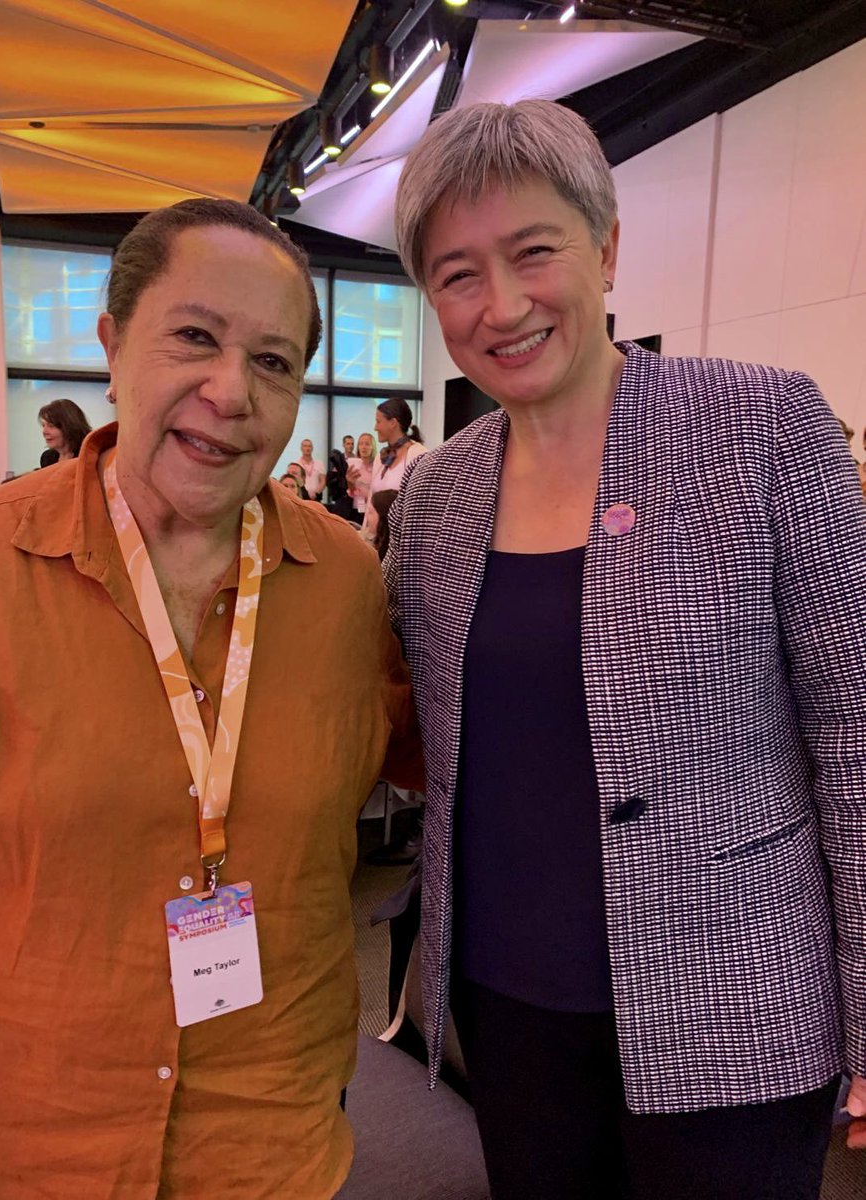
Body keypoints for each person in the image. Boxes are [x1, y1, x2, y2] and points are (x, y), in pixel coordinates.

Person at [386, 98, 866, 1199]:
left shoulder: (760, 425)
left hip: (737, 1010)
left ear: (604, 247)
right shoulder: (440, 493)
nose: (501, 305)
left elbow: (855, 732)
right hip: (512, 1015)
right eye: (458, 274)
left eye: (533, 252)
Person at [0, 197, 420, 1200]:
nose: (232, 392)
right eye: (196, 339)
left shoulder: (346, 580)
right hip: (41, 1140)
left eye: (273, 362)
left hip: (275, 1135)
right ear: (113, 343)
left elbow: (441, 747)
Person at [364, 399, 425, 528]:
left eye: (378, 421)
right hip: (378, 538)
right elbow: (371, 501)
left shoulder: (418, 454)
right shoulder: (381, 457)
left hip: (401, 537)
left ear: (392, 423)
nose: (375, 427)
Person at [39, 397, 93, 461]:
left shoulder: (89, 454)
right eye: (43, 425)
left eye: (51, 426)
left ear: (69, 426)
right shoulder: (47, 458)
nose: (44, 432)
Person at [345, 432, 378, 526]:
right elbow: (351, 491)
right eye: (361, 444)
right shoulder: (354, 464)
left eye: (367, 444)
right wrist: (349, 482)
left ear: (373, 447)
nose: (364, 447)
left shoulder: (378, 465)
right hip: (356, 508)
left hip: (373, 509)